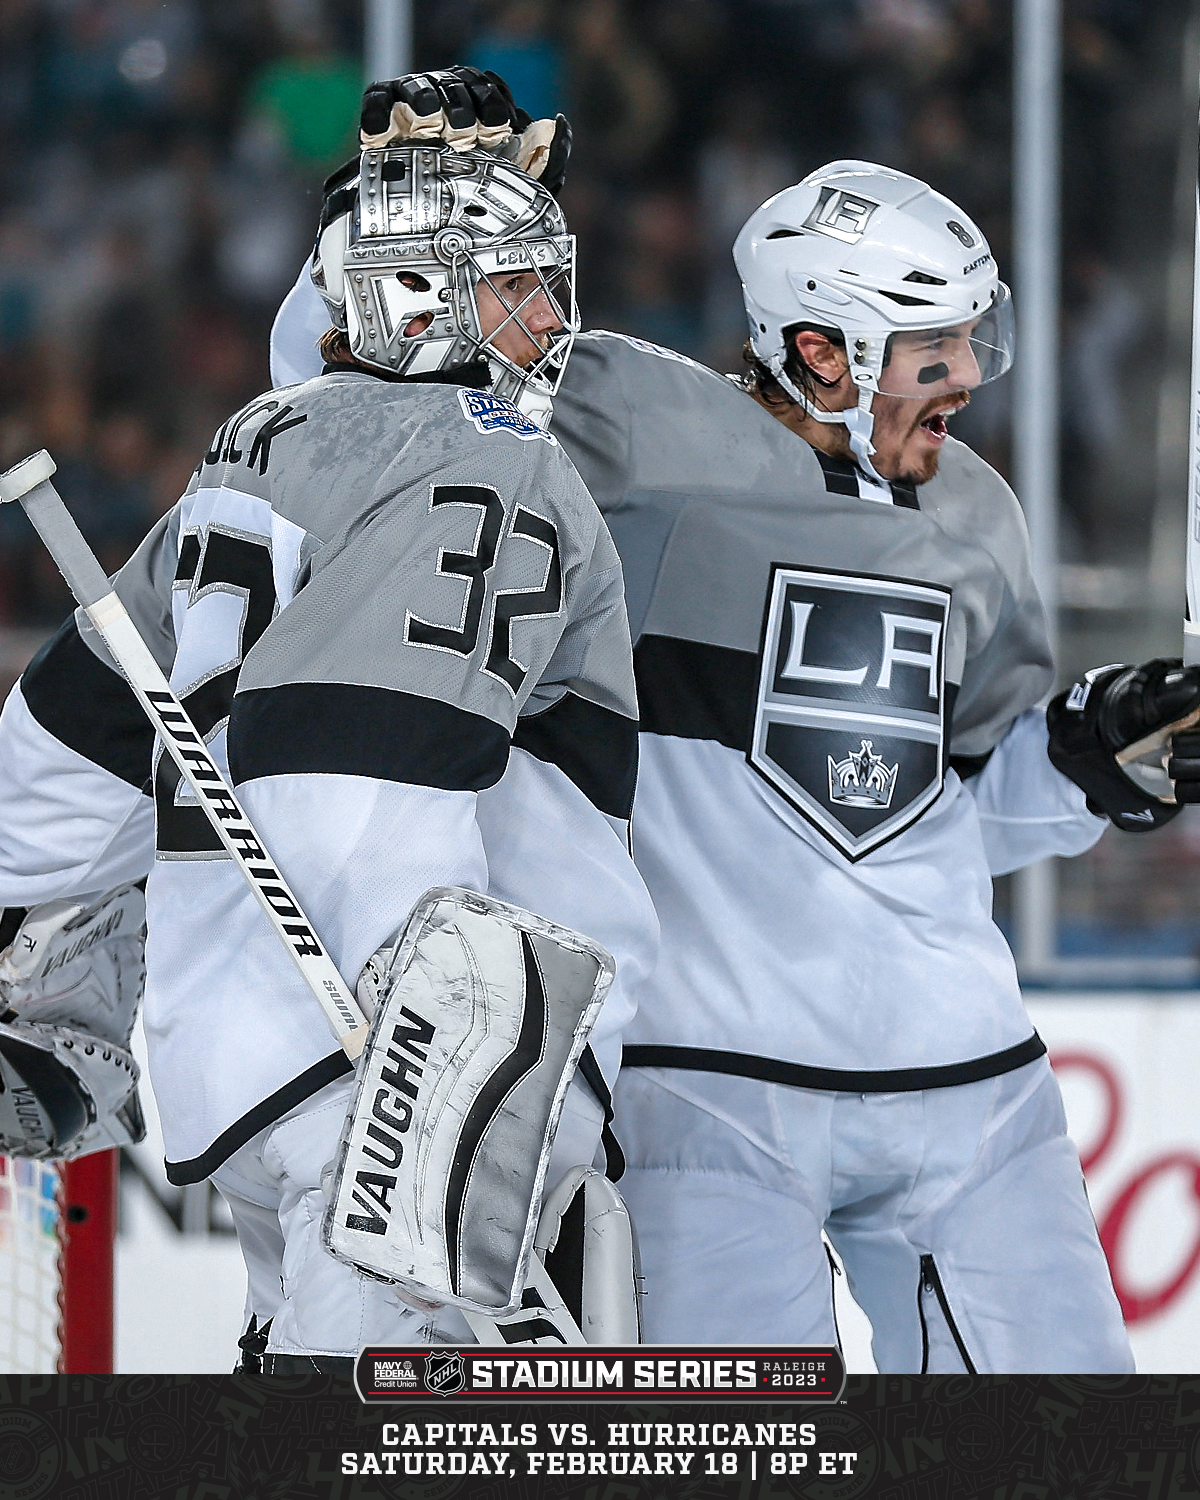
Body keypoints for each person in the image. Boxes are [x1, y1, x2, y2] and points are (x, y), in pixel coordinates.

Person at [271, 74, 1200, 1374]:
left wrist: (1100, 760)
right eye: (935, 345)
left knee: (1074, 1447)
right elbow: (338, 395)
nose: (972, 375)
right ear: (820, 351)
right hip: (706, 1090)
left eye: (974, 339)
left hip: (971, 1087)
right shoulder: (621, 425)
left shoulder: (976, 508)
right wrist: (386, 215)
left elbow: (949, 804)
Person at [0, 125, 657, 1369]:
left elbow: (61, 754)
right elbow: (359, 761)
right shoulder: (494, 452)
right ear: (423, 293)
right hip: (416, 1060)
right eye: (516, 282)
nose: (553, 317)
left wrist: (29, 954)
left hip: (236, 1054)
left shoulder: (249, 453)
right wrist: (432, 1067)